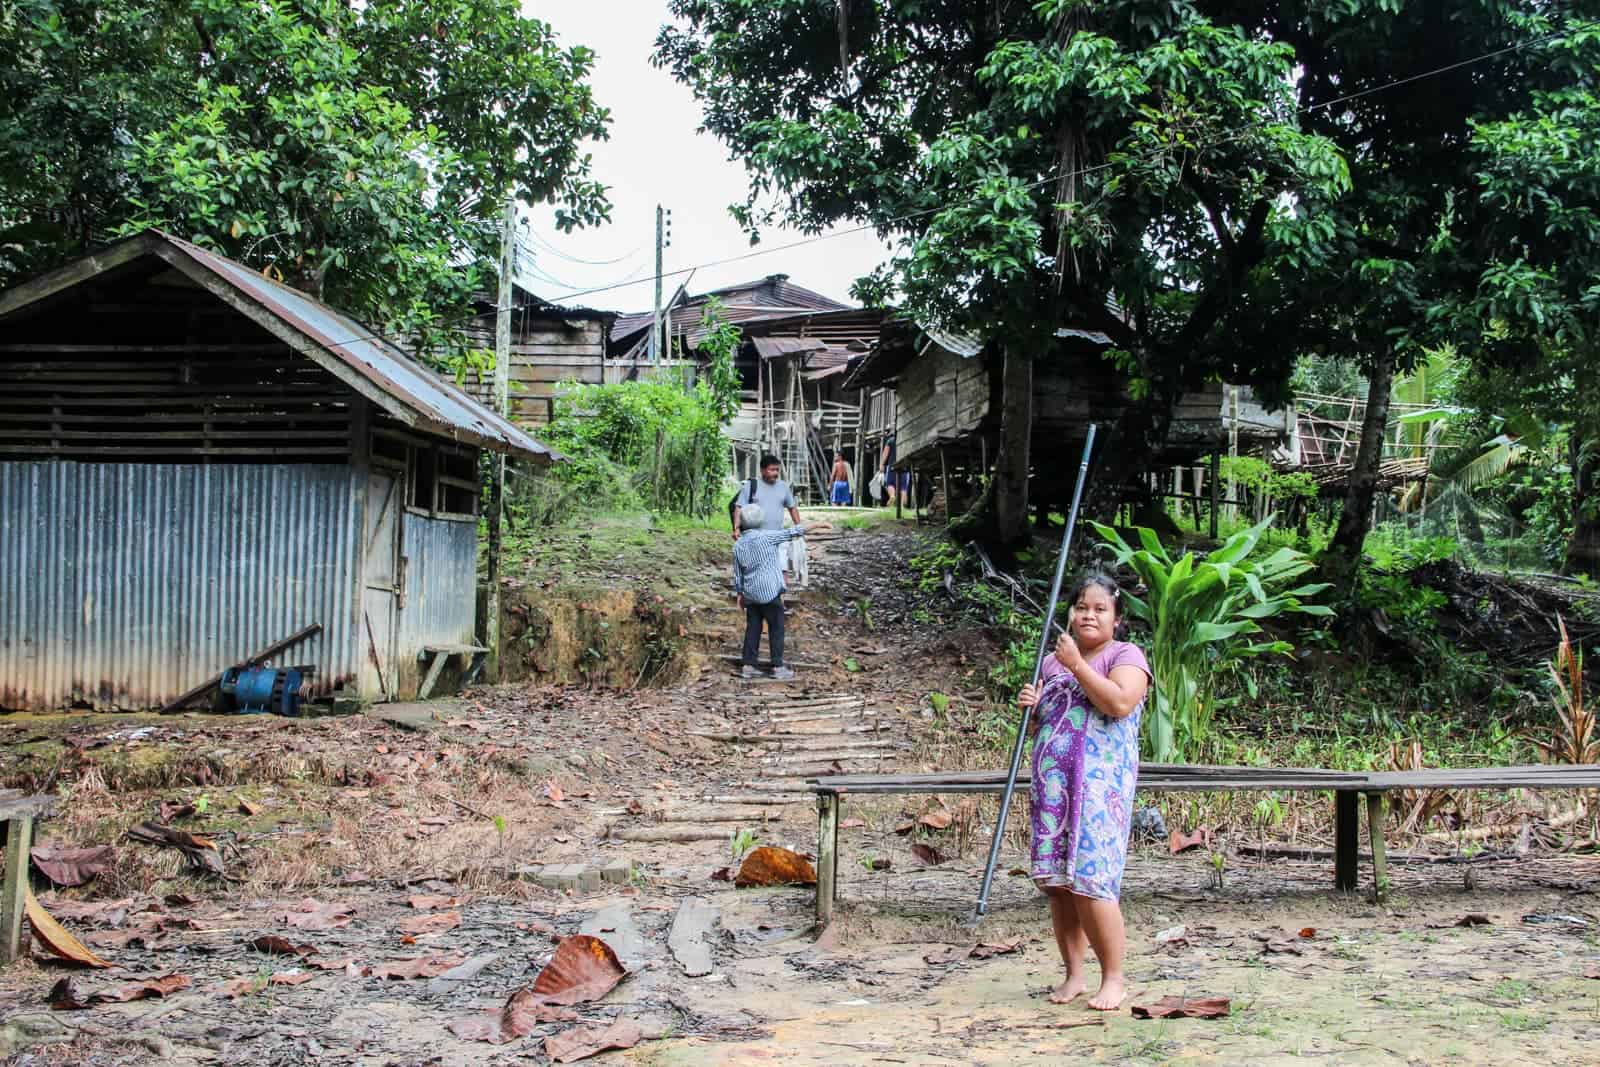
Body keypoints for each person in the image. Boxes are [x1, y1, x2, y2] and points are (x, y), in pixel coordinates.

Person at [1017, 574, 1151, 1011]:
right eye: (1081, 607)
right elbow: (1050, 726)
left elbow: (1119, 704)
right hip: (1053, 785)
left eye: (1099, 609)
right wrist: (1032, 707)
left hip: (1099, 788)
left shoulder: (1124, 655)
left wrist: (1077, 664)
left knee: (1092, 881)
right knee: (1059, 884)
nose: (1088, 615)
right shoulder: (1051, 663)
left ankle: (1113, 977)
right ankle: (1074, 973)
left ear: (1116, 618)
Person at [732, 504, 829, 680]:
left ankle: (748, 666)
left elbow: (738, 574)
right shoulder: (768, 537)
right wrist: (818, 524)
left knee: (753, 628)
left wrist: (740, 594)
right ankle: (777, 666)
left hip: (751, 594)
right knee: (776, 628)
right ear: (760, 521)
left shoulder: (738, 546)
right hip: (770, 593)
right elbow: (794, 532)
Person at [732, 454, 801, 540]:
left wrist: (799, 527)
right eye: (772, 470)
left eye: (777, 470)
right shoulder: (751, 486)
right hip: (755, 537)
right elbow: (739, 507)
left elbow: (792, 508)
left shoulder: (783, 487)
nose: (776, 473)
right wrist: (736, 528)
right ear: (762, 470)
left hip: (777, 536)